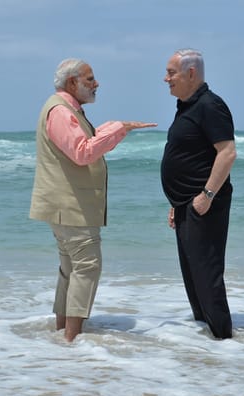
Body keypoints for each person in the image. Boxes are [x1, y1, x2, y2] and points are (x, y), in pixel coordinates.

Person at [29, 58, 156, 342]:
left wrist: (118, 127)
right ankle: (72, 338)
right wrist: (119, 129)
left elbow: (82, 143)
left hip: (64, 206)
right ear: (72, 82)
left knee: (71, 268)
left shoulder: (67, 109)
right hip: (70, 207)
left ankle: (63, 332)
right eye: (90, 79)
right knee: (86, 266)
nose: (96, 84)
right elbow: (83, 152)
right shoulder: (61, 111)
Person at [160, 48, 237, 339]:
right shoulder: (186, 106)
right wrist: (175, 203)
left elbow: (227, 153)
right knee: (193, 279)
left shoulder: (210, 105)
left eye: (171, 72)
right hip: (186, 205)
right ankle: (206, 348)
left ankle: (224, 340)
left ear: (191, 74)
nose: (165, 78)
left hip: (203, 205)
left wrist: (207, 195)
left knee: (207, 277)